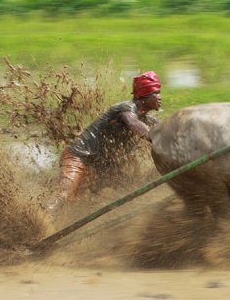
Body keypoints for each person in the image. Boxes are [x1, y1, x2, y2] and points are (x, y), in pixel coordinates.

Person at [48, 71, 162, 212]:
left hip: (100, 168)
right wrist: (157, 138)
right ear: (145, 96)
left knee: (132, 188)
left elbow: (164, 131)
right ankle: (38, 223)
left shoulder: (146, 120)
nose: (160, 97)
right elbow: (133, 124)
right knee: (62, 196)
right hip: (79, 157)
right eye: (157, 93)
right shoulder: (126, 108)